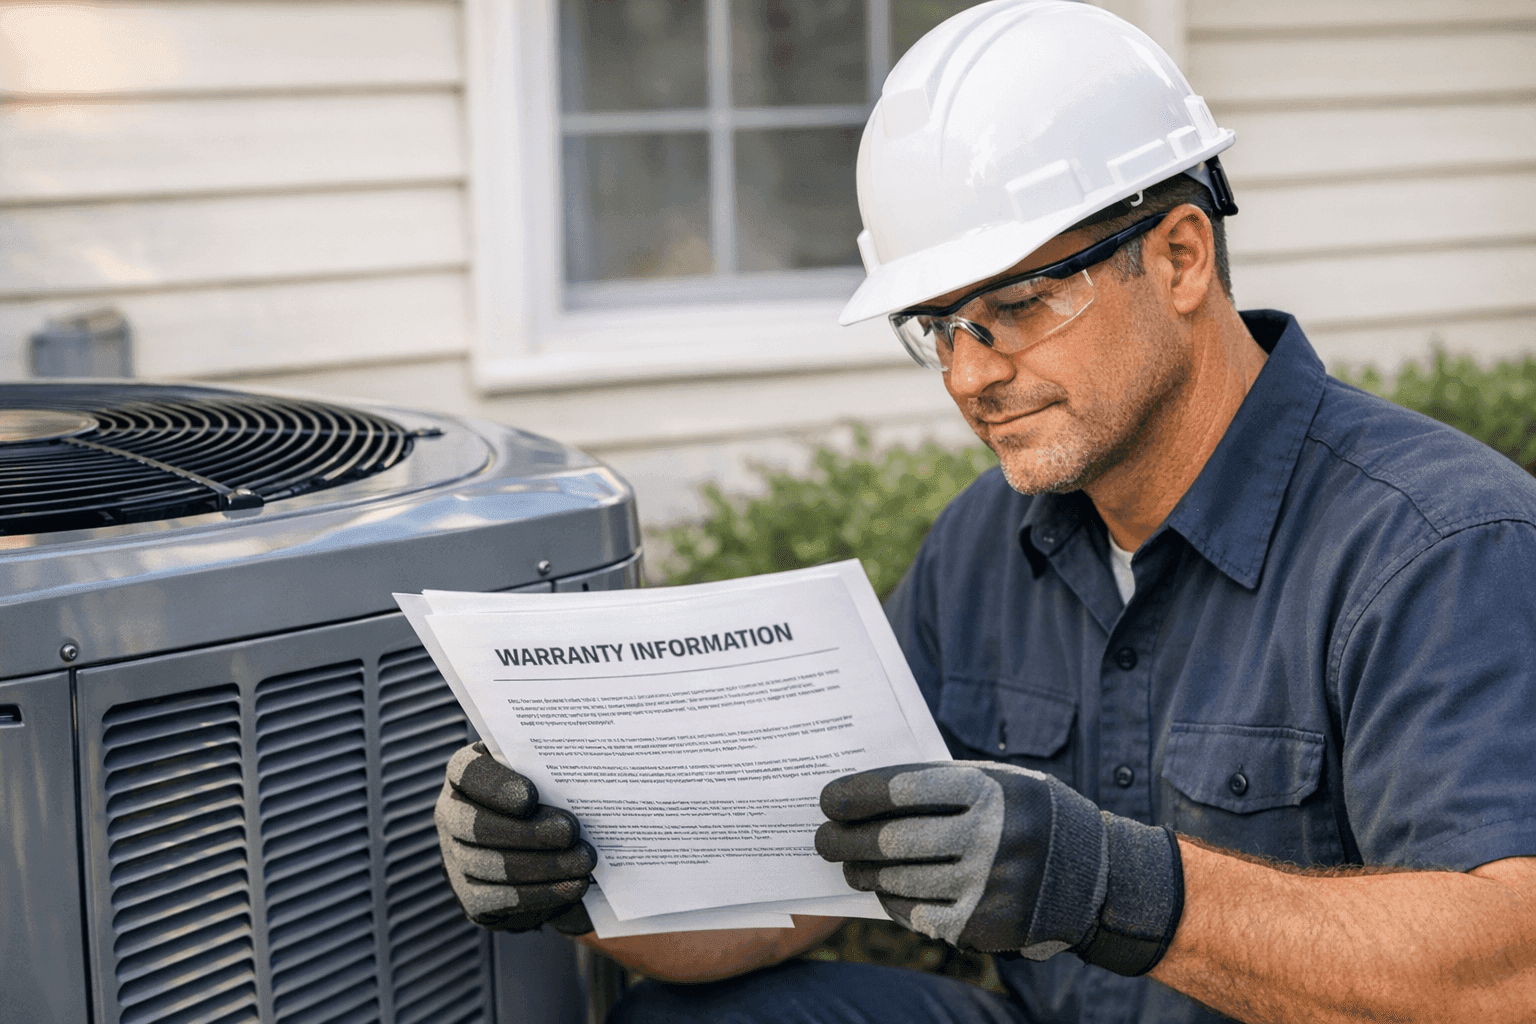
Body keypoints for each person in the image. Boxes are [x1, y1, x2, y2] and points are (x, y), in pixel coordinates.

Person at [433, 2, 1536, 1020]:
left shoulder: (1438, 548)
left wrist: (1121, 887)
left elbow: (1508, 969)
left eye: (1014, 307)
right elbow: (799, 890)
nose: (968, 377)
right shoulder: (985, 546)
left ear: (1183, 256)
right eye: (939, 327)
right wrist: (582, 871)